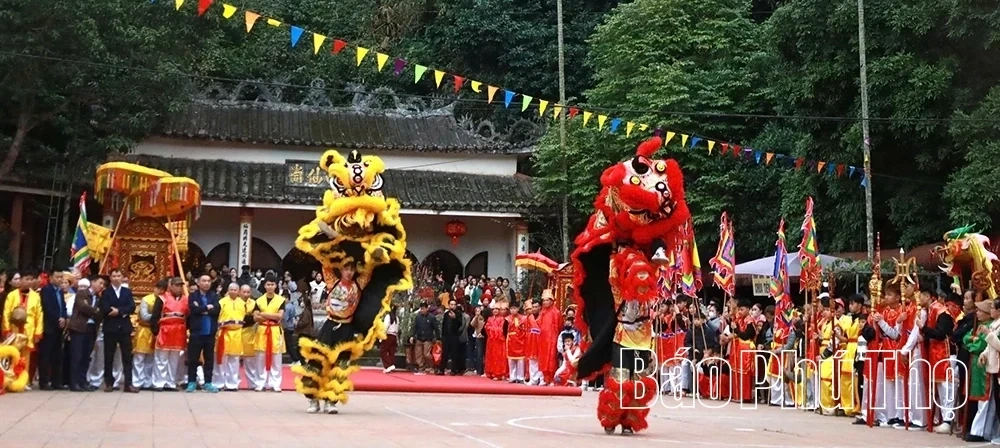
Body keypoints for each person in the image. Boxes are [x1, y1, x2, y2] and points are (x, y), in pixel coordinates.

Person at [918, 285, 956, 433]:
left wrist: (923, 328)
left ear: (928, 296)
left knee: (947, 388)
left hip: (945, 355)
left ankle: (948, 420)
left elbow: (941, 334)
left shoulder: (942, 312)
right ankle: (945, 419)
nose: (919, 299)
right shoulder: (932, 311)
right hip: (937, 354)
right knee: (941, 388)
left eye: (921, 295)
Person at [2, 269, 43, 389]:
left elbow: (39, 315)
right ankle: (9, 379)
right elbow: (6, 313)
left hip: (28, 331)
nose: (29, 282)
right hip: (14, 331)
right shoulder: (12, 295)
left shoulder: (36, 296)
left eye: (31, 279)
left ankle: (23, 381)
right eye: (27, 279)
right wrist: (6, 330)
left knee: (26, 358)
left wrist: (38, 333)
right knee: (12, 356)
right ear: (21, 280)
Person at [964, 300, 997, 442]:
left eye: (980, 310)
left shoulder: (990, 326)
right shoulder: (985, 326)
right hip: (979, 365)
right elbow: (965, 339)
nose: (976, 313)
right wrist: (973, 338)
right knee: (984, 401)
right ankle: (981, 431)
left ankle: (979, 431)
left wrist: (974, 342)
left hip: (987, 368)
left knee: (986, 401)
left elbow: (979, 345)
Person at [100, 268, 137, 393]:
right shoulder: (105, 292)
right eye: (114, 276)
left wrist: (119, 311)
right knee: (109, 356)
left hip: (124, 327)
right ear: (110, 278)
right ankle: (109, 383)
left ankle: (128, 383)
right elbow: (105, 308)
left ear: (122, 277)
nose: (116, 278)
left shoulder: (127, 292)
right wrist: (120, 310)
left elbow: (131, 307)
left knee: (127, 357)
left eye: (118, 276)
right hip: (110, 327)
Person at [151, 277, 188, 391]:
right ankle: (159, 382)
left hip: (178, 331)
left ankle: (170, 382)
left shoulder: (186, 299)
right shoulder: (162, 298)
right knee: (161, 358)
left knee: (174, 359)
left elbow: (188, 316)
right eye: (176, 285)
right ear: (170, 286)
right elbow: (155, 316)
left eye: (180, 285)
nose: (178, 288)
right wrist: (156, 332)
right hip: (165, 330)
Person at [187, 275, 220, 392]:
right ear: (198, 282)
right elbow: (194, 310)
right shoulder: (193, 296)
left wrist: (202, 309)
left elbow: (216, 310)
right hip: (197, 332)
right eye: (204, 281)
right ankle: (191, 382)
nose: (206, 283)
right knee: (193, 358)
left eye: (208, 281)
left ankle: (208, 382)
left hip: (210, 332)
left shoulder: (214, 296)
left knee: (209, 359)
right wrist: (207, 308)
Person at [253, 274, 285, 392]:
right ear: (264, 286)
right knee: (260, 357)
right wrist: (270, 316)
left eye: (272, 284)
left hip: (275, 330)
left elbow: (279, 316)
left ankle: (275, 383)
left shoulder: (281, 300)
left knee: (276, 357)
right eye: (268, 284)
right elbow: (256, 318)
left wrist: (263, 314)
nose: (270, 287)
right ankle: (260, 382)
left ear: (276, 286)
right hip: (262, 330)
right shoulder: (259, 300)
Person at [214, 283, 247, 391]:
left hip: (237, 333)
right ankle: (218, 383)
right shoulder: (221, 302)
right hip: (224, 333)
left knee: (234, 360)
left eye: (235, 290)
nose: (233, 291)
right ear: (228, 290)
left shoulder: (242, 303)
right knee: (221, 359)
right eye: (231, 289)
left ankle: (232, 384)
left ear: (238, 291)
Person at [38, 270, 67, 390]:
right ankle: (44, 382)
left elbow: (63, 307)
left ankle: (56, 381)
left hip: (59, 327)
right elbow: (47, 307)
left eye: (61, 277)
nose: (59, 279)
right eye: (57, 277)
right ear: (50, 278)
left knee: (57, 355)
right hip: (49, 326)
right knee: (46, 355)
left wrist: (64, 318)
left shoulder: (60, 291)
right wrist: (57, 320)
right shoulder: (46, 290)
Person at [132, 280, 162, 390]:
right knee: (139, 357)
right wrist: (157, 316)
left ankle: (148, 381)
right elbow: (144, 316)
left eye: (163, 289)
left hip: (156, 331)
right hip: (144, 330)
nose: (160, 291)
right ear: (155, 288)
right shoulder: (147, 299)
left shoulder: (165, 300)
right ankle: (137, 381)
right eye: (158, 288)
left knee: (151, 358)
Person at [537, 290, 561, 385]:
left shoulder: (556, 312)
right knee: (543, 358)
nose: (545, 302)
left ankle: (551, 379)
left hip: (552, 338)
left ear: (551, 301)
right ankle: (545, 378)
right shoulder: (542, 312)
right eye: (544, 300)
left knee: (551, 359)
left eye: (547, 300)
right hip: (543, 338)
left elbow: (559, 326)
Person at [239, 284, 260, 390]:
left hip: (249, 333)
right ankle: (233, 383)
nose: (246, 294)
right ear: (239, 292)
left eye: (248, 292)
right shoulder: (236, 302)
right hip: (236, 333)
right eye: (244, 292)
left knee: (250, 361)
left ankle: (252, 383)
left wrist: (248, 319)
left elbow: (255, 318)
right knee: (233, 361)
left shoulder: (254, 303)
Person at [440, 298, 467, 376]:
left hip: (454, 336)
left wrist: (454, 318)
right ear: (449, 305)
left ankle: (454, 370)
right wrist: (442, 336)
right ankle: (441, 369)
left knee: (454, 354)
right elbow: (443, 326)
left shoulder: (458, 314)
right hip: (446, 336)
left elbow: (460, 325)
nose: (453, 306)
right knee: (444, 353)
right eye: (451, 304)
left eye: (454, 304)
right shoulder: (446, 314)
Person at [411, 301, 438, 375]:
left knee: (426, 354)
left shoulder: (432, 317)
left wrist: (437, 338)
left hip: (428, 338)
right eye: (421, 309)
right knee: (418, 354)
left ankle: (432, 365)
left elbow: (436, 328)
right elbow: (415, 327)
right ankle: (421, 367)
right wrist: (412, 336)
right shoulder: (418, 317)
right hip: (419, 338)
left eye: (423, 309)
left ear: (427, 308)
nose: (422, 310)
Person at [505, 302, 528, 383]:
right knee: (511, 360)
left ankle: (520, 377)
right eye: (511, 309)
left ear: (518, 309)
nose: (513, 310)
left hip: (520, 340)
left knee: (521, 360)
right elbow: (504, 331)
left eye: (515, 308)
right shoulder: (507, 319)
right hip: (511, 340)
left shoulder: (523, 318)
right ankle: (512, 376)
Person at [485, 304, 508, 380]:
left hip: (499, 341)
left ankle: (498, 374)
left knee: (498, 357)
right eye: (494, 309)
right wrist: (493, 329)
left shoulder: (502, 319)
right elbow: (486, 327)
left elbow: (501, 329)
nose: (495, 310)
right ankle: (490, 372)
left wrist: (492, 329)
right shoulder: (489, 318)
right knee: (490, 356)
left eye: (497, 309)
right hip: (491, 340)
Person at [381, 305, 399, 373]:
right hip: (394, 336)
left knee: (383, 351)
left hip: (388, 335)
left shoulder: (388, 316)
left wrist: (382, 336)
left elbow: (385, 327)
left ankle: (388, 365)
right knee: (392, 352)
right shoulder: (396, 318)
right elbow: (397, 329)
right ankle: (392, 365)